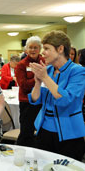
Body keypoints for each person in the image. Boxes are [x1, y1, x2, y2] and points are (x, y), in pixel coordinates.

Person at [28, 30, 85, 161]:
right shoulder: (47, 70)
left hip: (69, 134)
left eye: (47, 48)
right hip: (43, 130)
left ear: (60, 49)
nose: (42, 52)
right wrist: (37, 82)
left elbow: (66, 100)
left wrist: (45, 78)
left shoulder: (78, 72)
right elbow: (35, 99)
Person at [15, 36, 44, 147]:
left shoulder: (44, 62)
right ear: (26, 49)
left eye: (35, 47)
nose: (33, 50)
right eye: (30, 47)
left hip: (42, 101)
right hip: (27, 102)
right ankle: (21, 152)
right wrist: (38, 78)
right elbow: (23, 85)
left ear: (40, 49)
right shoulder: (21, 65)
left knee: (42, 131)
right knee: (26, 131)